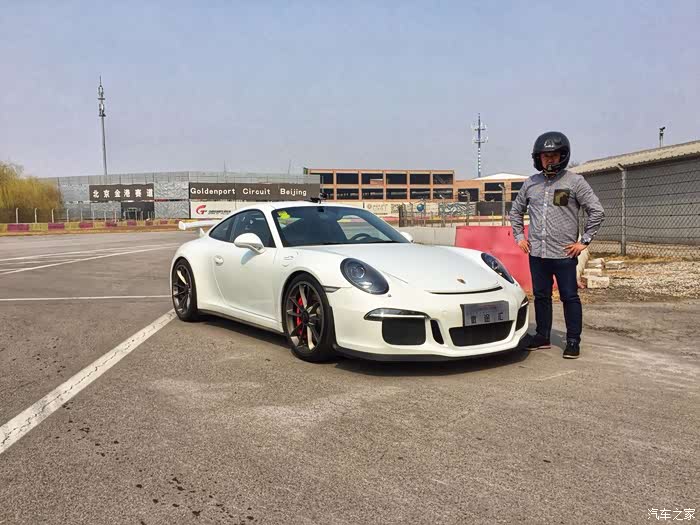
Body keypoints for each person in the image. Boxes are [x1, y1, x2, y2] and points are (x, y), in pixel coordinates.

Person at [509, 131, 605, 359]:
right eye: (545, 156)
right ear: (538, 158)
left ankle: (573, 340)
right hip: (537, 254)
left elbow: (597, 211)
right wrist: (519, 237)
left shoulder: (575, 182)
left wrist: (584, 242)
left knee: (569, 297)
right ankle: (542, 335)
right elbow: (515, 211)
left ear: (563, 156)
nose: (549, 159)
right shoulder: (531, 183)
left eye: (554, 155)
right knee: (541, 296)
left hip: (564, 254)